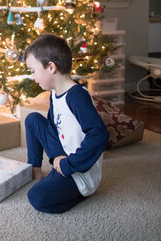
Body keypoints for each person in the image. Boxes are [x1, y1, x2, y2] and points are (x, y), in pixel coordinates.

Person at [23, 33, 109, 214]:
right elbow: (54, 127)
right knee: (33, 120)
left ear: (51, 67)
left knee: (36, 197)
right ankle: (36, 171)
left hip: (79, 170)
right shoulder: (55, 93)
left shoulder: (77, 96)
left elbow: (99, 135)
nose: (32, 77)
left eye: (33, 71)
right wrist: (56, 157)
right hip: (64, 154)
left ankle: (82, 193)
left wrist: (68, 165)